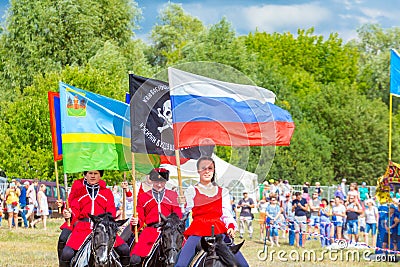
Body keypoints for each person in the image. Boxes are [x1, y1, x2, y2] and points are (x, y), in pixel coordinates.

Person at [176, 156, 249, 267]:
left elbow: (226, 213)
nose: (207, 171)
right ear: (198, 171)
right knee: (180, 265)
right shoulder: (192, 190)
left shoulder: (222, 191)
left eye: (210, 168)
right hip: (198, 231)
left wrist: (230, 226)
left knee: (244, 265)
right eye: (203, 168)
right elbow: (184, 213)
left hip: (219, 231)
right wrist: (181, 204)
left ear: (213, 170)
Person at [60, 170, 130, 267]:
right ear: (85, 175)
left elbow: (111, 212)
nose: (93, 176)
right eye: (90, 173)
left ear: (100, 175)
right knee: (66, 254)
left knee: (124, 249)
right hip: (82, 229)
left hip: (103, 229)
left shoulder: (107, 192)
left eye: (96, 173)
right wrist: (69, 214)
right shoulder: (78, 192)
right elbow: (75, 210)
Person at [129, 168, 182, 266]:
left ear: (165, 181)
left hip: (170, 232)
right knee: (134, 260)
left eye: (161, 181)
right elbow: (140, 215)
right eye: (156, 181)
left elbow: (177, 214)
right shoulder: (143, 197)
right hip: (150, 232)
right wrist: (137, 221)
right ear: (152, 181)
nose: (159, 185)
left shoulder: (173, 195)